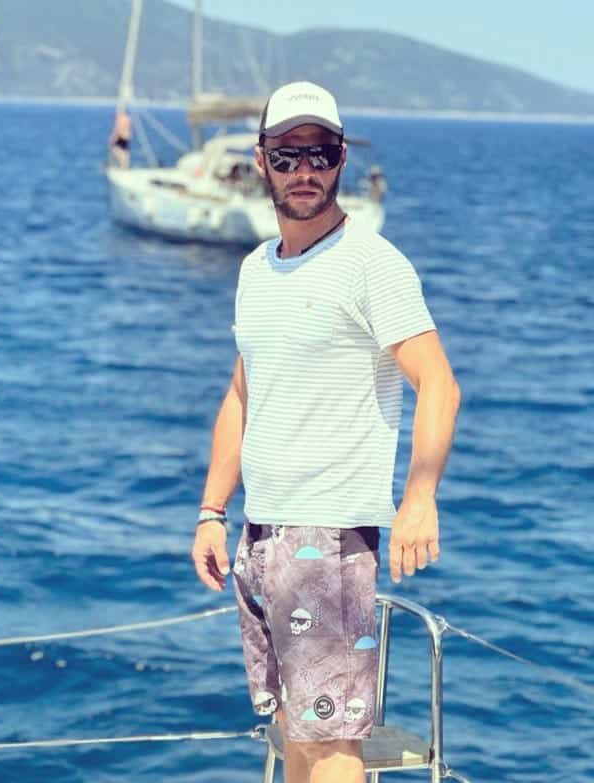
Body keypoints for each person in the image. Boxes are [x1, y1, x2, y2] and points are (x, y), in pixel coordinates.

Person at [191, 81, 460, 783]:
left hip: (330, 534)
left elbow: (438, 381)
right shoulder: (256, 269)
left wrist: (419, 496)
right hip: (262, 531)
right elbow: (242, 393)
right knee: (294, 729)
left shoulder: (371, 263)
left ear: (341, 158)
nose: (304, 169)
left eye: (320, 153)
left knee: (333, 741)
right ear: (262, 160)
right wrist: (212, 511)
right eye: (287, 154)